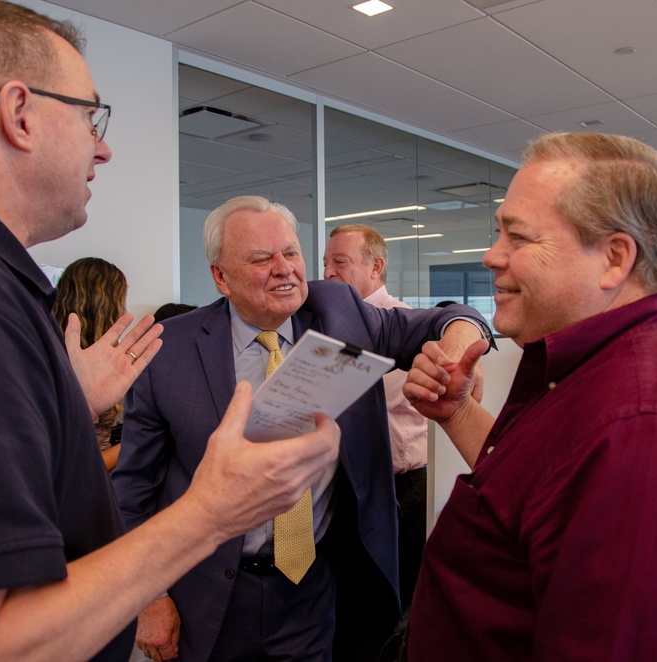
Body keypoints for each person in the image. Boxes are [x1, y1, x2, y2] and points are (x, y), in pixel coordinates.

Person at [0, 3, 339, 660]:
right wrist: (210, 513)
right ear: (19, 113)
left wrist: (58, 408)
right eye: (90, 117)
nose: (103, 146)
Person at [403, 132, 657, 660]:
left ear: (614, 258)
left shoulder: (648, 430)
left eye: (519, 238)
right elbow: (535, 497)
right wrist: (458, 413)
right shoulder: (597, 376)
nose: (490, 256)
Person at [113, 195, 491, 662]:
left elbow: (447, 317)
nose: (284, 268)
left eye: (291, 252)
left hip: (313, 589)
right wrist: (146, 597)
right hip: (208, 596)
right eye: (260, 258)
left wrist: (457, 348)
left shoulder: (339, 312)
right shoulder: (169, 351)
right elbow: (132, 490)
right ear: (220, 276)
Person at [322, 223, 428, 612]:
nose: (329, 272)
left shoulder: (398, 324)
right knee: (353, 602)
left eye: (340, 262)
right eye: (325, 262)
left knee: (394, 601)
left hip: (399, 488)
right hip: (348, 486)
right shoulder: (334, 326)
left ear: (375, 267)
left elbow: (363, 397)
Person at [53, 256, 130, 470]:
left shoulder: (48, 349)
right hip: (87, 477)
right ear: (108, 305)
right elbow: (79, 458)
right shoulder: (83, 364)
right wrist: (138, 444)